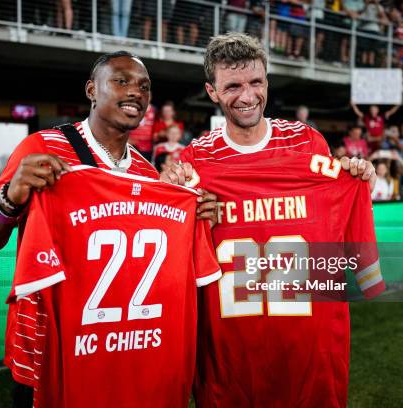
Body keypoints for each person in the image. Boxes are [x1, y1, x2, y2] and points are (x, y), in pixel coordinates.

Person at [0, 51, 217, 408]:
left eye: (144, 87)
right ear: (91, 90)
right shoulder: (41, 148)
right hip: (51, 350)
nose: (135, 93)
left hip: (124, 352)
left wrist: (195, 211)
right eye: (121, 81)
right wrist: (11, 196)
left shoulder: (148, 176)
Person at [161, 33, 381, 407]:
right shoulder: (195, 160)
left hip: (309, 343)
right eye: (233, 86)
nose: (247, 97)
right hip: (231, 348)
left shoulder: (307, 143)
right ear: (212, 92)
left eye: (256, 83)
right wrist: (174, 199)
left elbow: (335, 206)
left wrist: (359, 179)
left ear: (266, 81)